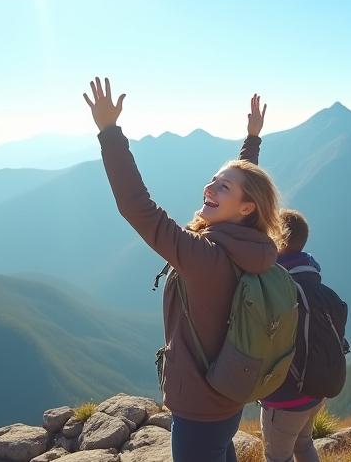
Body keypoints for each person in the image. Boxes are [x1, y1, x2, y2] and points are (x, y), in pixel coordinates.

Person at [83, 76, 282, 462]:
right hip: (227, 393)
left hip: (198, 406)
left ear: (245, 209)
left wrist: (109, 132)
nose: (210, 187)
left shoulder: (204, 257)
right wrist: (251, 141)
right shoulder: (249, 246)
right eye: (213, 179)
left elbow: (138, 208)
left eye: (222, 187)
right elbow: (247, 189)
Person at [259, 209, 326, 462]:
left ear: (279, 238)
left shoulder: (275, 283)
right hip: (314, 389)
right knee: (304, 445)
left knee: (278, 457)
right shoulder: (311, 274)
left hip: (285, 397)